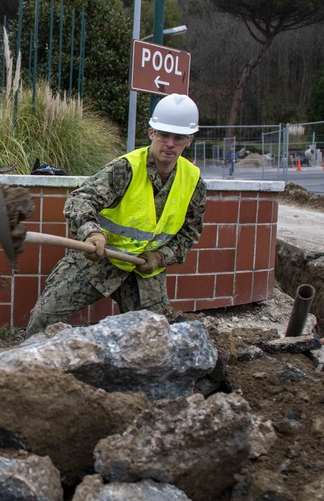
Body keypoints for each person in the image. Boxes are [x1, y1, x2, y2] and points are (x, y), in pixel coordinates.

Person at [24, 93, 207, 337]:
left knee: (156, 337)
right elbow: (80, 200)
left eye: (178, 137)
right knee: (46, 316)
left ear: (189, 140)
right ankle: (29, 369)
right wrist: (92, 233)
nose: (170, 143)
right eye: (163, 135)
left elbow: (189, 233)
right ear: (152, 133)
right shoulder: (126, 168)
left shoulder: (193, 181)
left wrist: (161, 257)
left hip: (144, 269)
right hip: (100, 259)